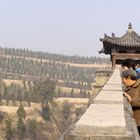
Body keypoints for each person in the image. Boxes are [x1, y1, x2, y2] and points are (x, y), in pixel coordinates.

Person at [122, 69, 140, 134]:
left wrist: (131, 100)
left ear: (129, 78)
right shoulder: (130, 87)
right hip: (134, 121)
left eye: (123, 79)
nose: (123, 81)